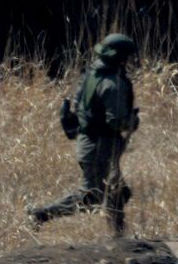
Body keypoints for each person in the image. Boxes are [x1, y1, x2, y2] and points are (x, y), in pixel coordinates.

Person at [29, 33, 140, 236]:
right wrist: (131, 122)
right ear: (120, 57)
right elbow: (115, 121)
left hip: (91, 142)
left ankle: (119, 239)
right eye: (128, 56)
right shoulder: (112, 84)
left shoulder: (92, 74)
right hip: (99, 147)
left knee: (117, 192)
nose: (131, 60)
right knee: (92, 197)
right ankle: (41, 214)